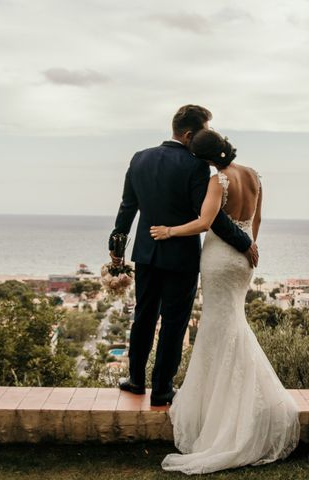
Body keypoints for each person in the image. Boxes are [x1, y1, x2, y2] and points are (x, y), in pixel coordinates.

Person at [150, 129, 301, 474]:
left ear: (202, 157)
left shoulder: (219, 180)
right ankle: (234, 404)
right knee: (233, 324)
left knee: (218, 328)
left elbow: (206, 222)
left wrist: (169, 231)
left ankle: (219, 416)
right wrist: (250, 246)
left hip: (219, 258)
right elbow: (257, 219)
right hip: (244, 257)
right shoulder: (253, 176)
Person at [108, 105, 259, 407]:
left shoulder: (140, 158)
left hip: (146, 253)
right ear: (190, 134)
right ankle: (162, 389)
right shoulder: (196, 167)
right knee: (174, 324)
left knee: (143, 317)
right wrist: (244, 242)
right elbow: (212, 218)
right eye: (202, 131)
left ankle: (136, 380)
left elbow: (127, 208)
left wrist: (116, 250)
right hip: (182, 256)